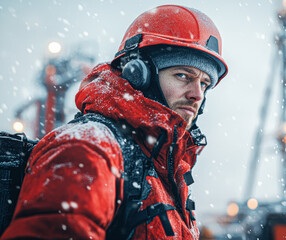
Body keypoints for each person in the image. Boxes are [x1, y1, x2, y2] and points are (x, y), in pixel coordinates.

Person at [1, 4, 228, 239]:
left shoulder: (162, 169)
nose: (197, 95)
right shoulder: (87, 149)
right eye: (183, 75)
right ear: (138, 74)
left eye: (204, 83)